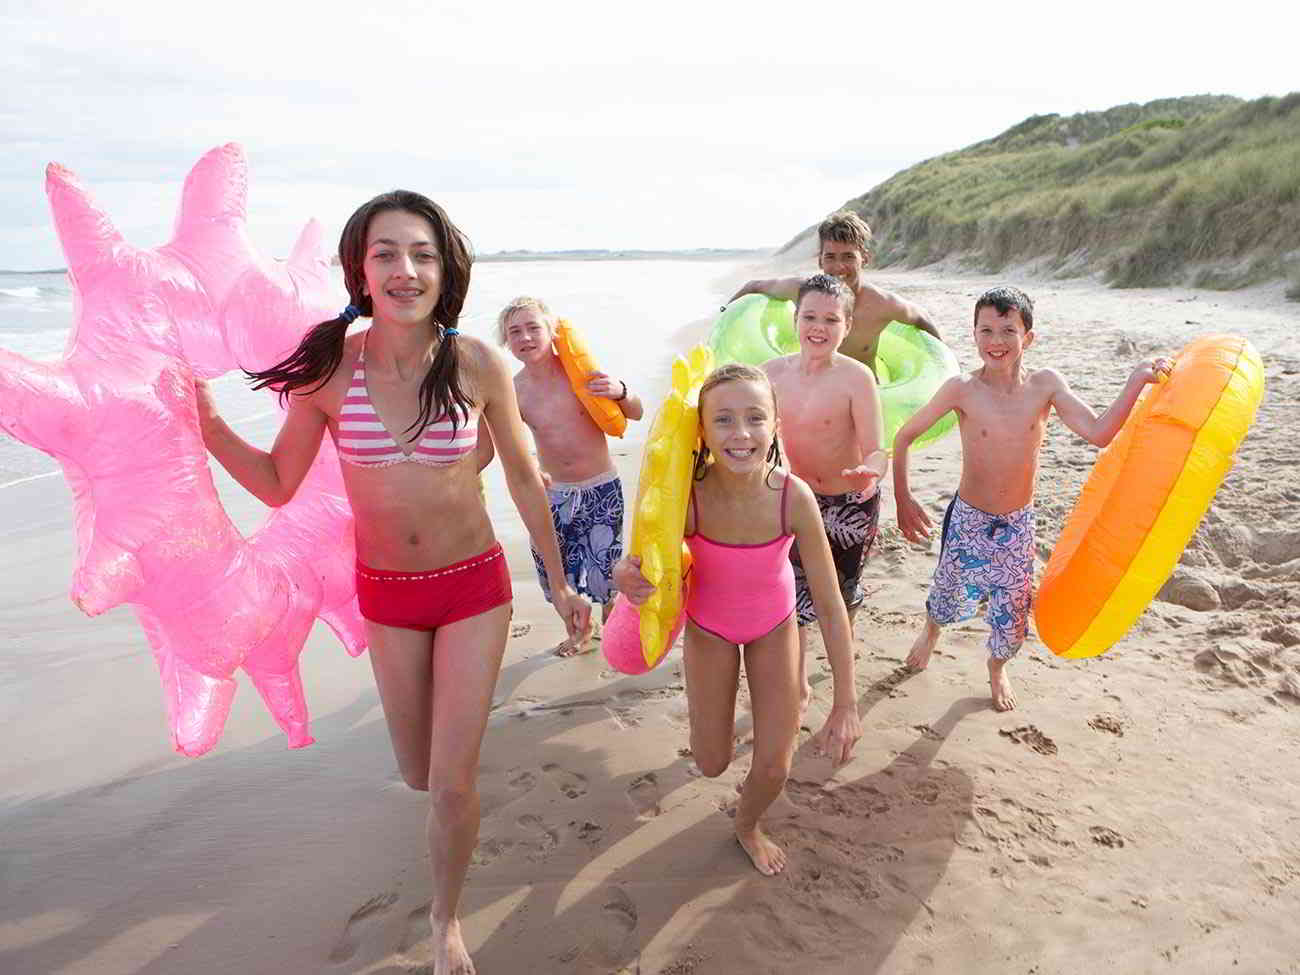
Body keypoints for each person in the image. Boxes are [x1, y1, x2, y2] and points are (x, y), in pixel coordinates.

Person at [196, 191, 590, 975]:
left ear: (445, 271)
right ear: (361, 270)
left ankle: (446, 919)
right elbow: (278, 482)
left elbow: (521, 478)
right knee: (417, 770)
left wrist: (559, 583)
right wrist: (208, 427)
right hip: (389, 595)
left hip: (475, 587)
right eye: (387, 253)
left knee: (449, 784)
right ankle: (452, 781)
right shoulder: (330, 371)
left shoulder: (475, 362)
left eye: (422, 254)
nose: (406, 269)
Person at [613, 363, 862, 877]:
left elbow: (831, 602)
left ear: (774, 425)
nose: (741, 433)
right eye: (723, 420)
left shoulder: (794, 497)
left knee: (775, 763)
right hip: (710, 631)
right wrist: (628, 577)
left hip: (775, 627)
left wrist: (847, 701)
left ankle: (747, 825)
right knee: (710, 762)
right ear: (701, 430)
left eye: (755, 417)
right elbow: (638, 561)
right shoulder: (688, 495)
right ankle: (758, 716)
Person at [893, 285, 1172, 711]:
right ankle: (931, 631)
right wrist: (903, 497)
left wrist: (1135, 382)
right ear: (973, 335)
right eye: (986, 330)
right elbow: (905, 435)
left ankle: (997, 667)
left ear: (1029, 338)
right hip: (968, 518)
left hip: (1017, 526)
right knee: (947, 593)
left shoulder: (1045, 386)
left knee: (1012, 614)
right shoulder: (961, 389)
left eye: (1008, 330)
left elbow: (1099, 433)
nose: (996, 341)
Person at [761, 274, 889, 713]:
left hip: (849, 504)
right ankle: (797, 685)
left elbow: (876, 448)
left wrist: (868, 472)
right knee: (791, 600)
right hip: (793, 503)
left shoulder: (857, 378)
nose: (819, 327)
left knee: (840, 599)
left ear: (847, 326)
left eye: (831, 319)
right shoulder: (770, 375)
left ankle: (842, 686)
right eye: (810, 316)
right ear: (795, 319)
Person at [497, 296, 644, 655]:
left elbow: (636, 413)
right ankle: (578, 630)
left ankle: (614, 629)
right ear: (506, 340)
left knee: (605, 568)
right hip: (554, 492)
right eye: (515, 331)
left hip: (600, 488)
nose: (526, 337)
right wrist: (532, 470)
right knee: (557, 570)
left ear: (552, 331)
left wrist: (620, 391)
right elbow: (512, 444)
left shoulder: (581, 374)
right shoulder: (514, 391)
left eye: (534, 328)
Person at [727, 209, 942, 372]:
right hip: (815, 389)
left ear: (864, 258)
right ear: (820, 259)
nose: (839, 267)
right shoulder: (801, 290)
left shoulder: (881, 304)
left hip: (865, 395)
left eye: (848, 257)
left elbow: (922, 318)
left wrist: (943, 363)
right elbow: (753, 286)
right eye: (830, 257)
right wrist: (722, 315)